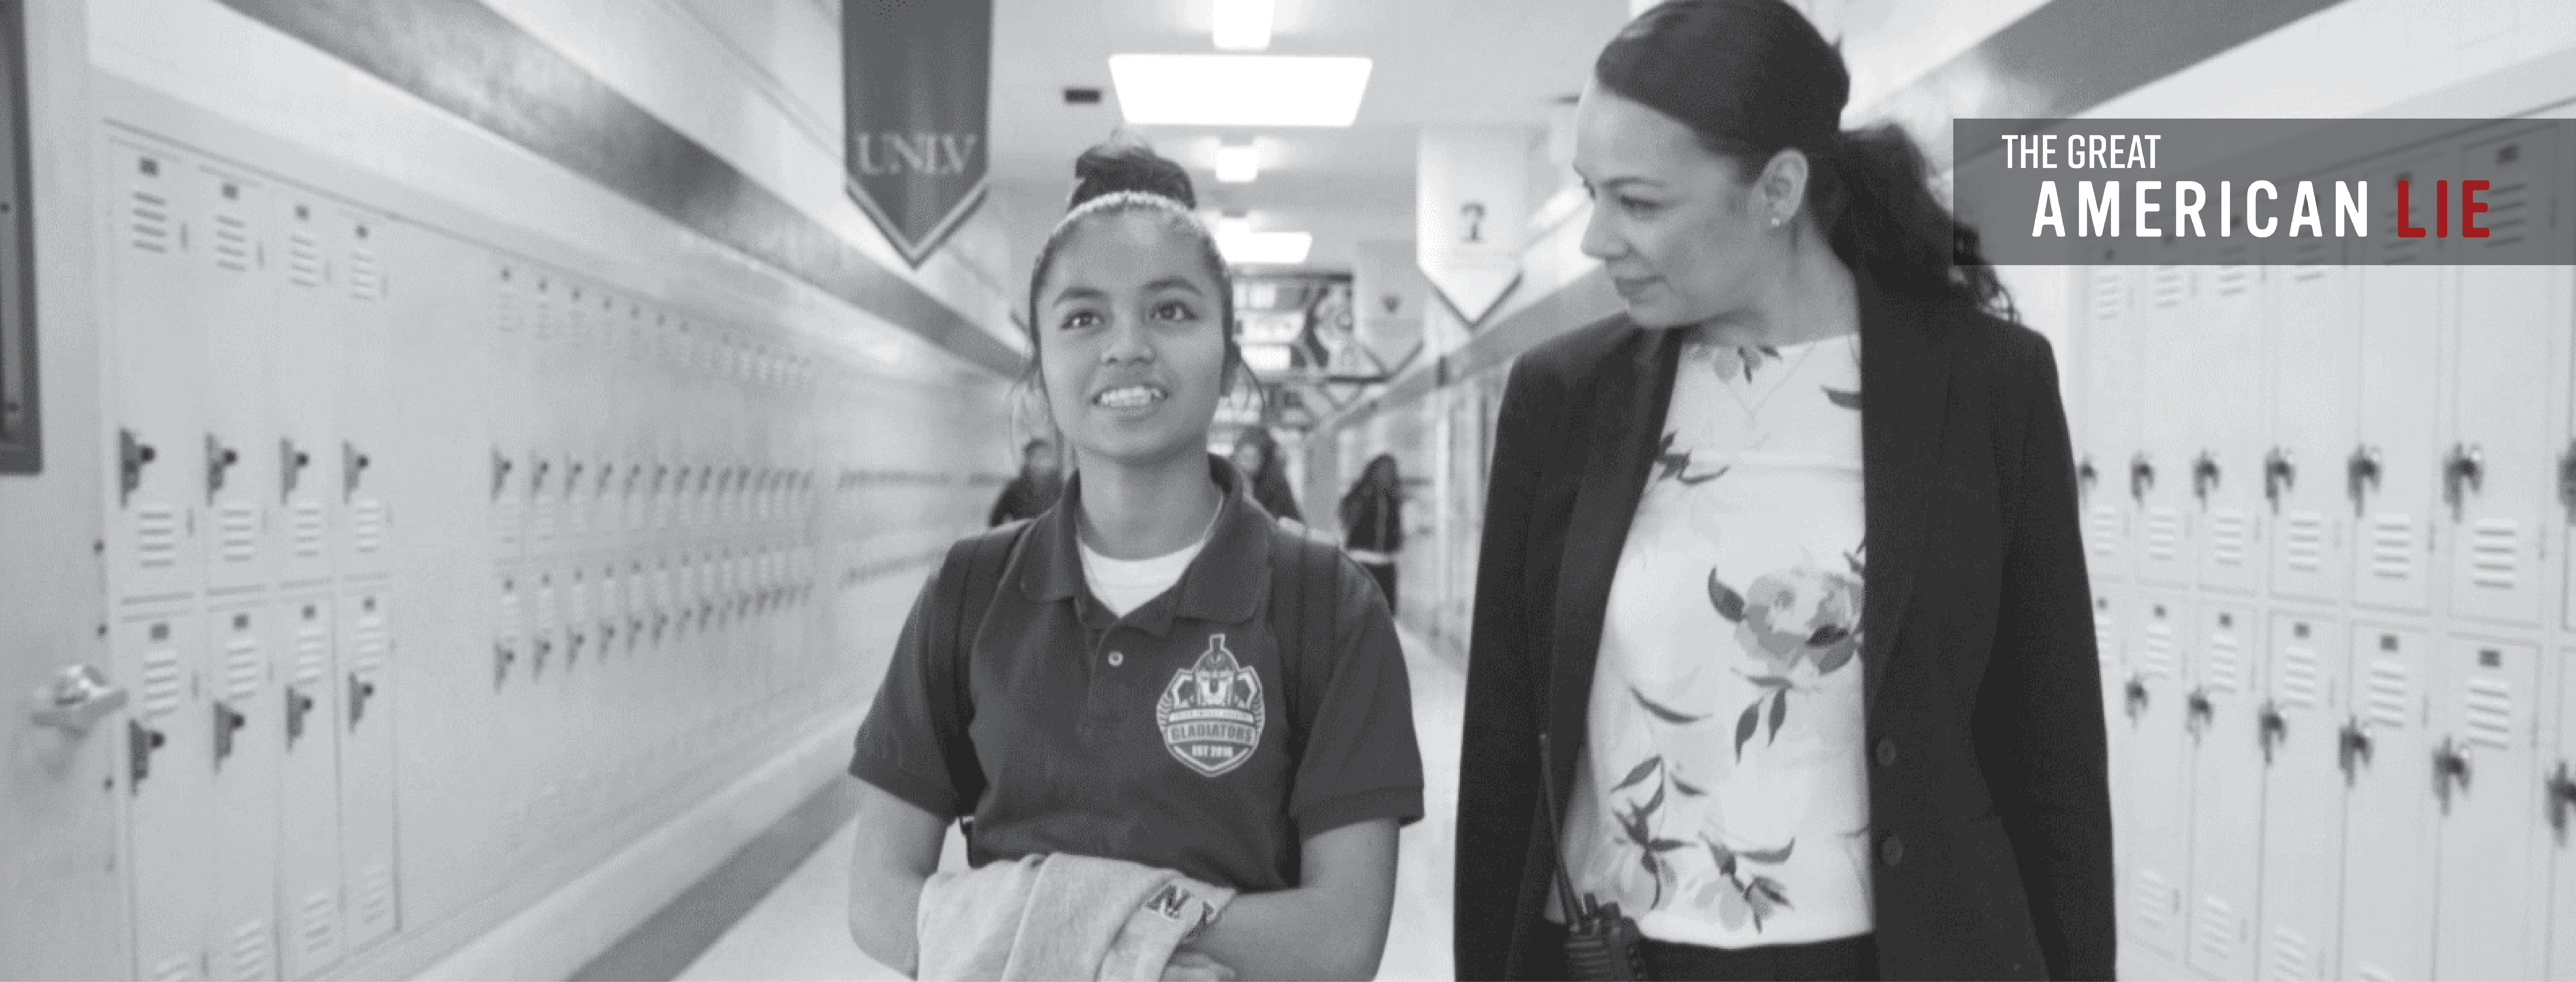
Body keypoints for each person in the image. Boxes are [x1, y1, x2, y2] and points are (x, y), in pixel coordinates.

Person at [1451, 2, 2113, 980]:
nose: (1597, 239)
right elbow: (1507, 740)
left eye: (1638, 202)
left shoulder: (1984, 384)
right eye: (1591, 193)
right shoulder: (1563, 398)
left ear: (1777, 189)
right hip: (1620, 955)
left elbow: (2049, 739)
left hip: (1901, 952)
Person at [846, 139, 1424, 981]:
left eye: (1172, 312)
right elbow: (875, 896)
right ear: (1040, 368)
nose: (1127, 348)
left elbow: (1340, 938)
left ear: (1230, 363)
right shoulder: (971, 591)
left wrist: (1051, 922)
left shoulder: (1324, 604)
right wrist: (1144, 938)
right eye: (1083, 318)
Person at [1337, 455, 1404, 610]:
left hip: (1386, 564)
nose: (1387, 475)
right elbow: (1346, 520)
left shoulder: (1393, 499)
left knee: (1386, 613)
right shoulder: (1360, 495)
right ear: (1373, 472)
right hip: (1361, 562)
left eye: (1390, 471)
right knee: (1360, 611)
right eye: (1383, 470)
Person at [1229, 426, 1305, 523]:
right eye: (1243, 458)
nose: (1246, 464)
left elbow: (1281, 522)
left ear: (1263, 459)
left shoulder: (1276, 484)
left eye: (1252, 459)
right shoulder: (1228, 478)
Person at [987, 437, 1065, 527]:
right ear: (1028, 460)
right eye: (1037, 457)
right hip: (1027, 538)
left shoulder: (1062, 487)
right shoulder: (1015, 488)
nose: (1042, 461)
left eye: (1046, 457)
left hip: (1055, 538)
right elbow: (996, 520)